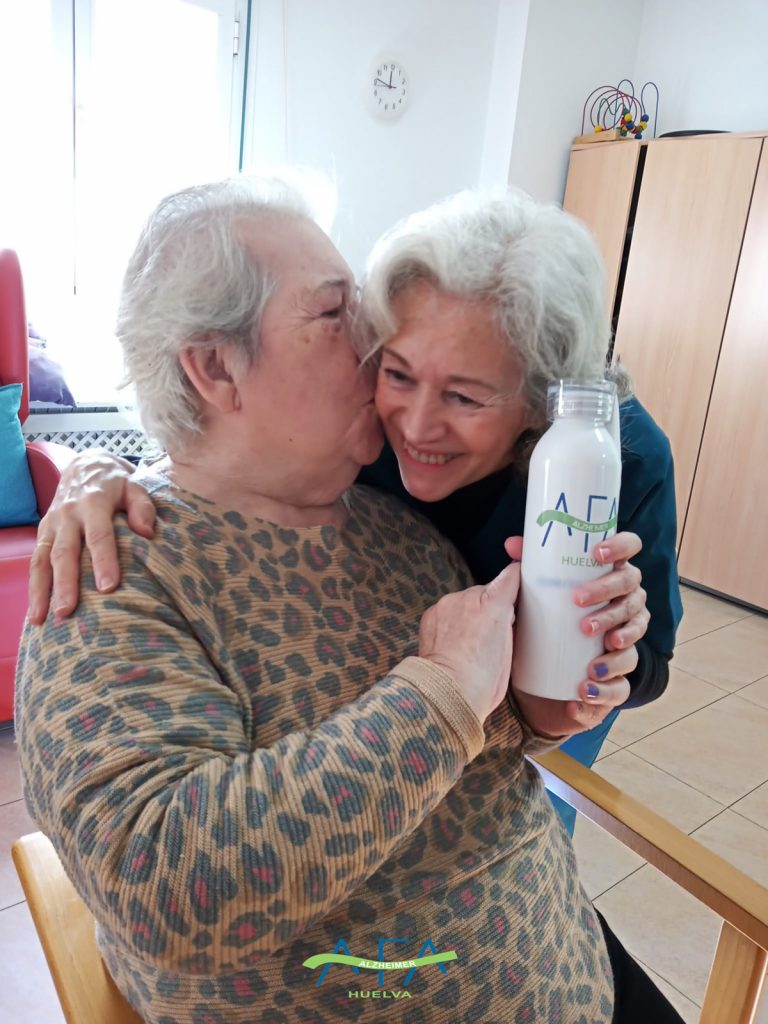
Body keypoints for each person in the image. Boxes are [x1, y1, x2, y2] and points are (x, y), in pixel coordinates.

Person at [15, 176, 685, 1024]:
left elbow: (508, 723)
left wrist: (583, 670)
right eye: (338, 313)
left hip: (576, 968)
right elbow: (169, 893)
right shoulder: (114, 574)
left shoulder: (401, 525)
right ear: (215, 367)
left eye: (361, 309)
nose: (378, 348)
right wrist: (438, 693)